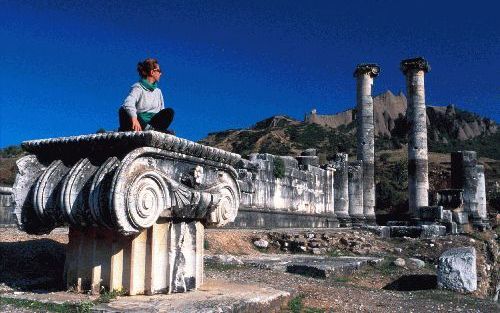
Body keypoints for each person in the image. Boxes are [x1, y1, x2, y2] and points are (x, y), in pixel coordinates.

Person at [119, 58, 174, 132]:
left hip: (152, 124)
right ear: (152, 72)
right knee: (123, 110)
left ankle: (155, 130)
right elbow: (128, 103)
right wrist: (134, 118)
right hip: (139, 122)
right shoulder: (138, 87)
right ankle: (149, 129)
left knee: (169, 112)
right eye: (159, 71)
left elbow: (161, 111)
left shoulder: (158, 92)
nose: (161, 73)